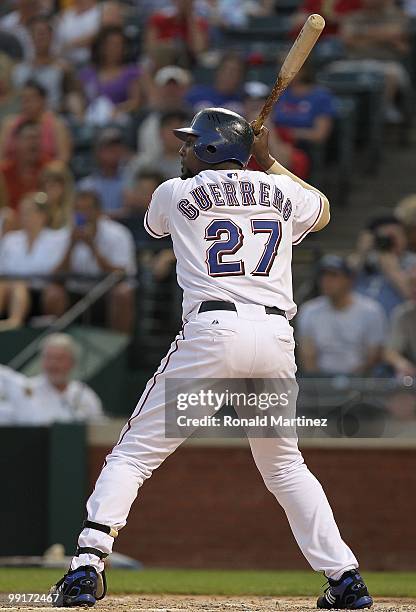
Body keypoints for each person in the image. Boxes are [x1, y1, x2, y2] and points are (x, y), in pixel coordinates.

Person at [52, 108, 373, 609]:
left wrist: (251, 167)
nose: (182, 150)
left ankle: (87, 565)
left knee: (135, 454)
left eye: (191, 143)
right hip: (272, 339)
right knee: (285, 467)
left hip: (213, 335)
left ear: (210, 149)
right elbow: (324, 210)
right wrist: (270, 166)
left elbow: (157, 227)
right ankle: (345, 577)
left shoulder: (174, 194)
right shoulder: (282, 191)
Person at [44, 190, 137, 334]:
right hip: (75, 291)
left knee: (123, 293)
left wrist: (92, 247)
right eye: (78, 210)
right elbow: (55, 275)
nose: (82, 214)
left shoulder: (119, 234)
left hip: (105, 293)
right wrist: (71, 246)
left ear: (99, 212)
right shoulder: (64, 235)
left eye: (87, 209)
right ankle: (56, 340)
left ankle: (120, 345)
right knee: (53, 293)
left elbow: (121, 274)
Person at [297, 255, 386, 375]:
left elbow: (374, 355)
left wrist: (350, 381)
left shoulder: (371, 310)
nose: (326, 281)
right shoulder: (309, 310)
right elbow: (308, 356)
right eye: (323, 276)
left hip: (361, 380)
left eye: (334, 275)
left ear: (349, 280)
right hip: (321, 380)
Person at [0, 333, 103, 425]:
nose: (53, 364)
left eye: (59, 358)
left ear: (72, 363)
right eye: (48, 358)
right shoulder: (25, 389)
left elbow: (98, 428)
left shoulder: (84, 394)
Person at [0, 192, 67, 331]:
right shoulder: (10, 239)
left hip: (41, 290)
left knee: (19, 285)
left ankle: (14, 322)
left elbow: (55, 270)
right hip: (10, 288)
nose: (24, 216)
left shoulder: (58, 239)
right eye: (22, 212)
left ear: (43, 215)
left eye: (29, 212)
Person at [336, 0, 410, 122]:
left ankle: (380, 113)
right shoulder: (354, 16)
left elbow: (398, 38)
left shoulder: (395, 16)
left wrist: (361, 36)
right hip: (353, 63)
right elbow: (347, 39)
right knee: (330, 72)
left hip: (384, 63)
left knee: (393, 73)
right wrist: (384, 37)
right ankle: (338, 112)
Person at [353, 215, 416, 317]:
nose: (390, 241)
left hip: (395, 326)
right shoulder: (364, 260)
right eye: (385, 237)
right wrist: (361, 253)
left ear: (405, 238)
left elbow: (411, 295)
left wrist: (393, 270)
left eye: (394, 236)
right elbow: (340, 284)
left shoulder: (412, 262)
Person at [0, 80, 72, 164]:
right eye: (23, 99)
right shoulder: (9, 124)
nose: (26, 103)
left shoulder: (57, 125)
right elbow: (1, 156)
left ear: (43, 100)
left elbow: (64, 158)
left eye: (30, 99)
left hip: (46, 173)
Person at [13, 14, 74, 111]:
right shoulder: (19, 69)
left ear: (51, 36)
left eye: (43, 33)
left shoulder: (63, 68)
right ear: (30, 37)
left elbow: (73, 99)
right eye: (35, 33)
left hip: (53, 116)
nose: (39, 37)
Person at [78, 26, 141, 116]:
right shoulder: (87, 73)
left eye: (119, 45)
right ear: (101, 47)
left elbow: (135, 102)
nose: (115, 49)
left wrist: (116, 110)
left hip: (118, 119)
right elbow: (80, 99)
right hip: (90, 119)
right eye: (110, 44)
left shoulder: (130, 72)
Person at [273, 65, 336, 148]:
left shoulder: (320, 96)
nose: (284, 71)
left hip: (303, 147)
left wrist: (289, 133)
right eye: (282, 67)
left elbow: (319, 134)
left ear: (304, 69)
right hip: (275, 142)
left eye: (289, 66)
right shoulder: (279, 92)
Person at [137, 65, 192, 157]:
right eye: (167, 87)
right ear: (158, 90)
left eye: (176, 87)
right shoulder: (142, 118)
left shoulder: (195, 118)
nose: (171, 92)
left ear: (184, 90)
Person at [123, 110, 189, 185]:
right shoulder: (145, 164)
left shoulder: (193, 166)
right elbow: (128, 191)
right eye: (171, 129)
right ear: (161, 133)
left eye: (180, 128)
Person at [0, 120, 51, 210]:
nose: (35, 143)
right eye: (29, 138)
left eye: (38, 138)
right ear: (16, 141)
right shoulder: (4, 172)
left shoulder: (49, 168)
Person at [79, 126, 130, 216]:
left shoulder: (131, 180)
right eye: (109, 148)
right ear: (98, 152)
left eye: (118, 147)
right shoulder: (87, 186)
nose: (115, 151)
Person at [145, 0, 209, 67]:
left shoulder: (199, 22)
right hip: (161, 64)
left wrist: (189, 18)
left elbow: (198, 50)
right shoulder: (158, 18)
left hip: (189, 65)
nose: (184, 3)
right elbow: (150, 49)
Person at [384, 267, 416, 377]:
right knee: (401, 377)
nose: (414, 289)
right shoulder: (403, 313)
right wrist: (402, 364)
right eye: (412, 284)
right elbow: (390, 352)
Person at [54, 0, 101, 66]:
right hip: (64, 61)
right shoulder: (67, 13)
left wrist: (70, 45)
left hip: (89, 61)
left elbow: (97, 35)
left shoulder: (99, 11)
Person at [40, 160, 74, 229]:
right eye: (47, 181)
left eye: (56, 181)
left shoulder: (75, 210)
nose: (50, 185)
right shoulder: (38, 208)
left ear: (65, 185)